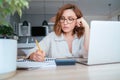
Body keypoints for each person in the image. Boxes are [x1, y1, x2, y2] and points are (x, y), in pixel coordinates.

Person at [25, 4, 90, 62]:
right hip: (57, 74)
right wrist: (34, 55)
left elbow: (86, 55)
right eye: (62, 18)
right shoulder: (52, 37)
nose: (65, 22)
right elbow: (31, 52)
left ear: (78, 21)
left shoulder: (83, 36)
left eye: (70, 19)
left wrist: (87, 28)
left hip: (79, 73)